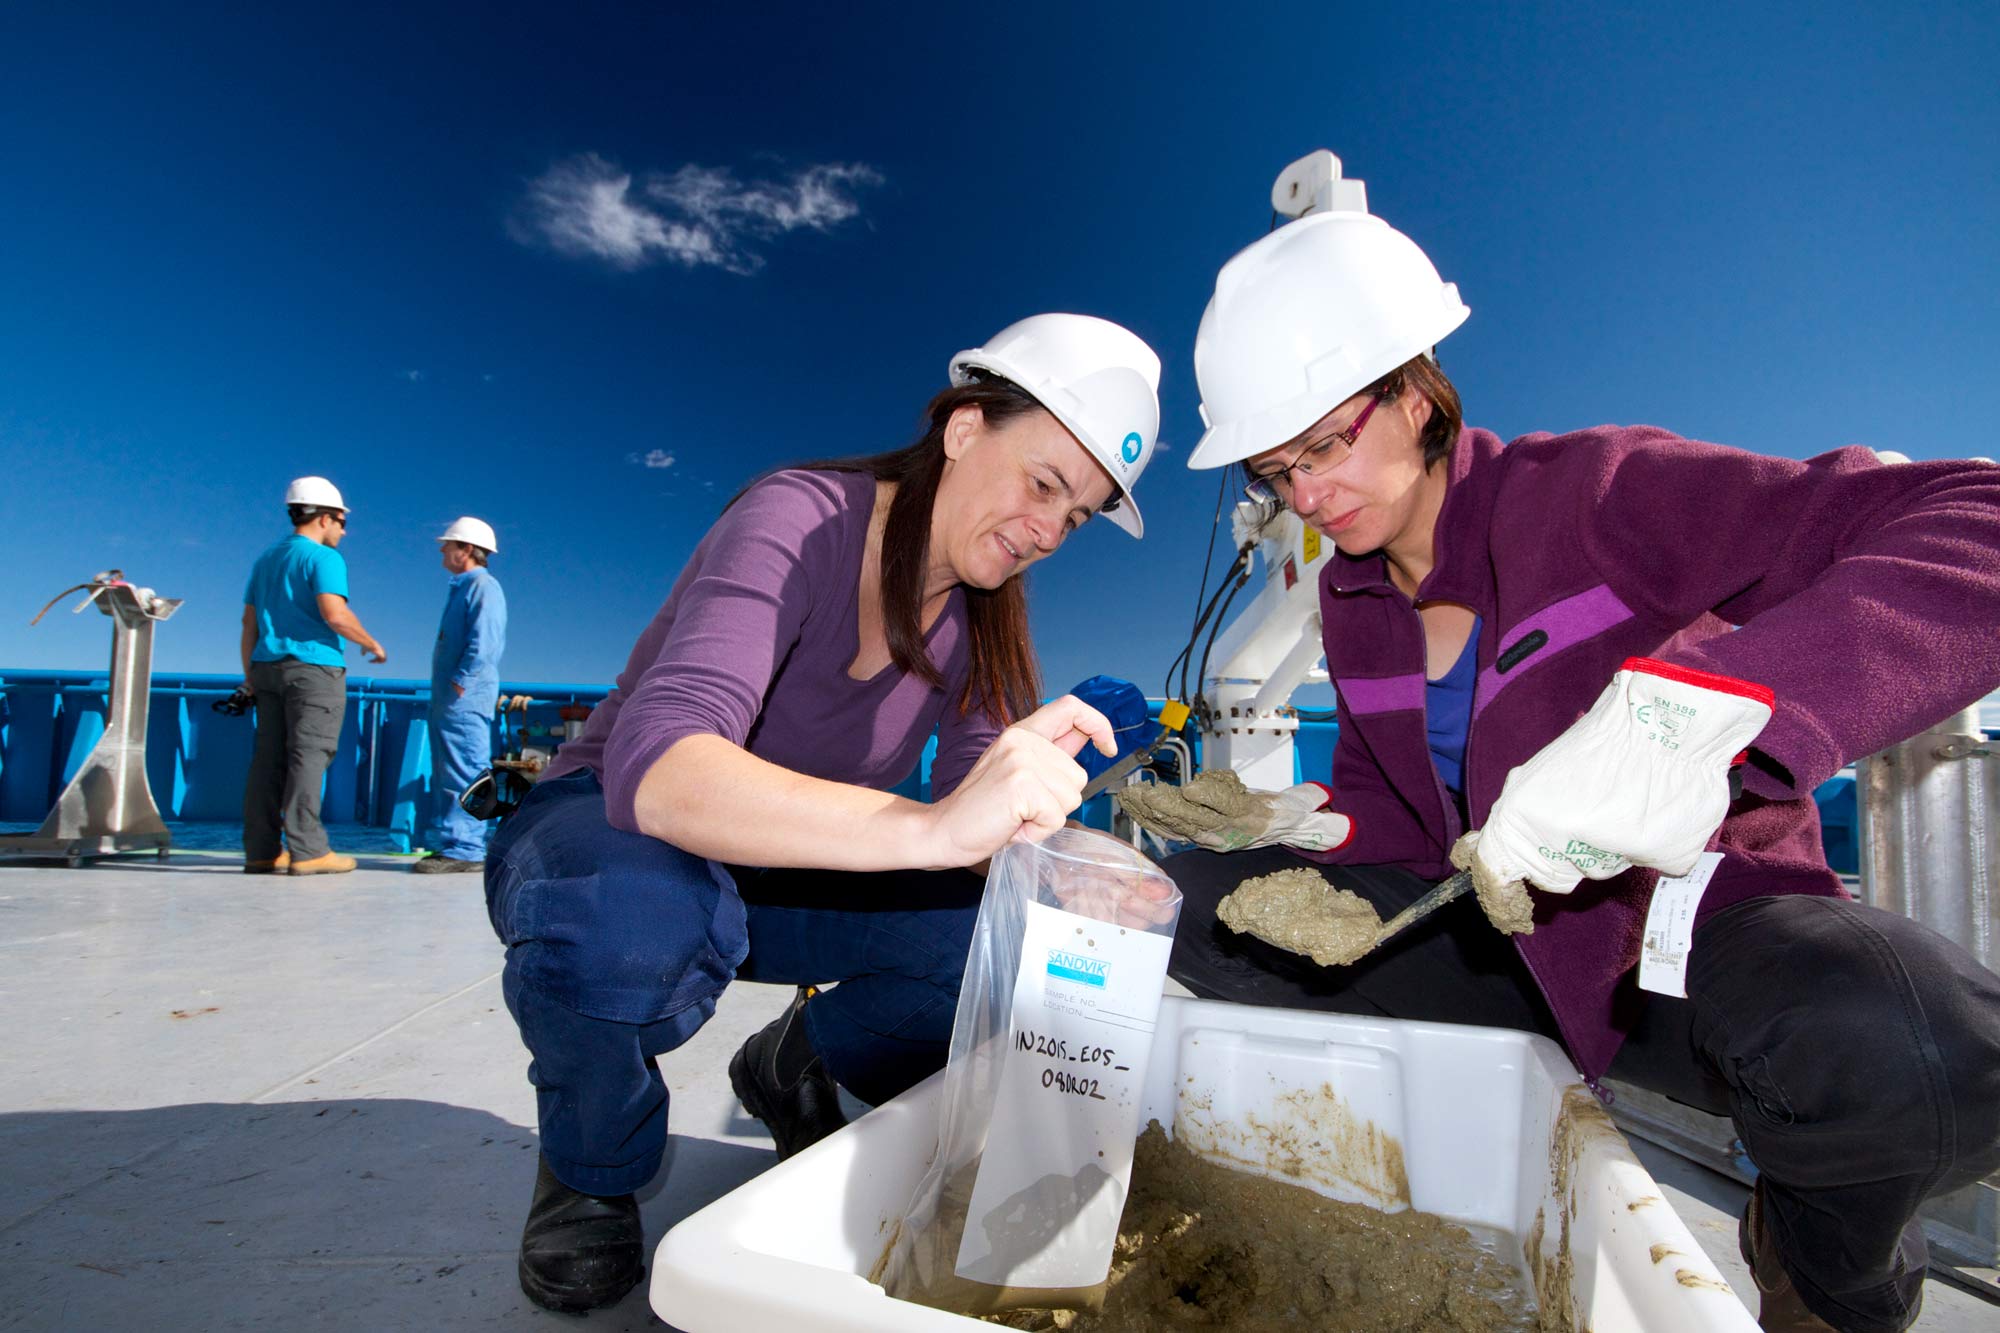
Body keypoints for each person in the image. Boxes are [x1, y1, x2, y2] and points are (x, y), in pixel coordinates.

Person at [1168, 182, 2000, 1332]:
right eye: (1272, 472)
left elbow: (1973, 518)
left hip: (1668, 941)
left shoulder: (1593, 493)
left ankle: (1819, 1273)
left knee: (1903, 1044)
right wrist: (1297, 822)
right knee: (1184, 904)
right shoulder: (1350, 601)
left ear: (1414, 392)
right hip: (1490, 944)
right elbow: (1391, 815)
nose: (1305, 495)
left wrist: (1700, 711)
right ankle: (1443, 1138)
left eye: (1323, 445)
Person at [485, 313, 1164, 1313]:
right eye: (1042, 483)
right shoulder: (799, 514)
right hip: (617, 831)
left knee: (1005, 946)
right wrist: (928, 829)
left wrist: (1072, 870)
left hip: (781, 871)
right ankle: (591, 1161)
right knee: (628, 923)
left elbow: (984, 827)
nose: (1047, 530)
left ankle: (797, 1056)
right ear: (964, 428)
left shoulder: (985, 621)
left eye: (1077, 516)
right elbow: (661, 771)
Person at [239, 476, 389, 877]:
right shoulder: (324, 558)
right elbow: (334, 614)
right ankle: (308, 850)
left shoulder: (266, 560)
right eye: (341, 521)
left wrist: (250, 675)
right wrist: (371, 643)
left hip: (265, 668)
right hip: (313, 671)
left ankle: (261, 851)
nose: (344, 530)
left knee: (267, 762)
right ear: (324, 518)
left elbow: (249, 624)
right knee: (308, 756)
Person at [416, 517, 508, 874]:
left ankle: (467, 848)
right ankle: (455, 843)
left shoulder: (483, 587)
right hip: (452, 700)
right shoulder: (464, 587)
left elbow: (485, 642)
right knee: (450, 771)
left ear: (466, 549)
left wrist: (462, 682)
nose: (442, 550)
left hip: (463, 700)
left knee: (466, 770)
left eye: (448, 545)